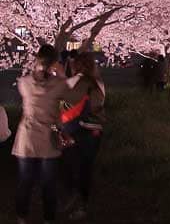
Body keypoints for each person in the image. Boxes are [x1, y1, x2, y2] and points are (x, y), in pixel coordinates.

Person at [13, 44, 83, 224]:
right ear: (54, 62)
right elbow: (75, 97)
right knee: (49, 183)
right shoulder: (58, 85)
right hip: (48, 137)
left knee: (24, 182)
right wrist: (61, 74)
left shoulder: (24, 82)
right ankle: (48, 219)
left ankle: (21, 218)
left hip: (26, 137)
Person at [61, 52, 106, 220]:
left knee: (69, 164)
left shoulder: (75, 82)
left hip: (74, 129)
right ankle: (82, 204)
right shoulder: (99, 83)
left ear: (76, 65)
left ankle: (73, 196)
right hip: (95, 130)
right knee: (86, 168)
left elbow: (62, 102)